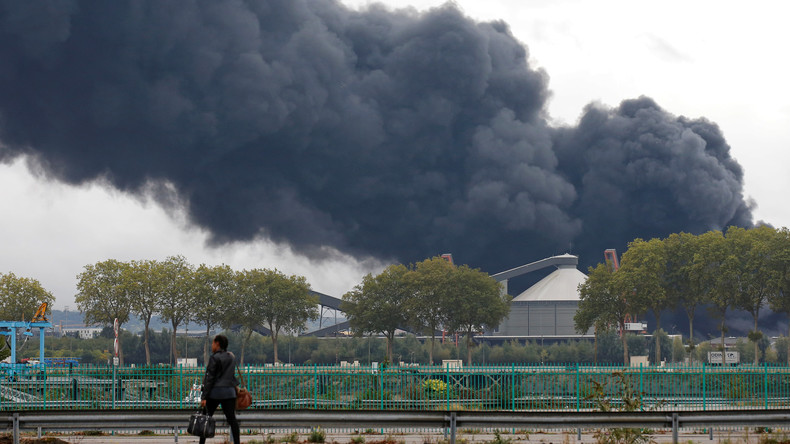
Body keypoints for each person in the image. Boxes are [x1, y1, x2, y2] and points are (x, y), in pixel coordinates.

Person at [199, 334, 240, 444]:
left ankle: (201, 443)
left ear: (217, 344)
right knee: (232, 420)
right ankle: (237, 442)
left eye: (213, 343)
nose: (212, 346)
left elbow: (210, 378)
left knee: (205, 419)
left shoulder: (214, 358)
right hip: (229, 392)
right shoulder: (231, 357)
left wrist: (204, 397)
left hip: (215, 392)